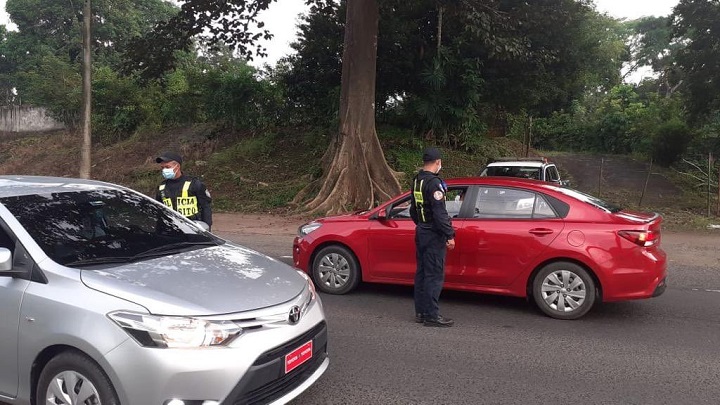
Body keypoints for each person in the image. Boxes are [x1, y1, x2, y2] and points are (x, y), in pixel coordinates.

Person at [409, 147, 456, 327]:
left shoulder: (417, 180)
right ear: (437, 162)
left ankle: (421, 312)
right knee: (434, 275)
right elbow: (440, 213)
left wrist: (421, 224)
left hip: (421, 231)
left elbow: (413, 209)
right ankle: (431, 316)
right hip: (433, 234)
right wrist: (449, 234)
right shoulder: (434, 183)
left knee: (421, 273)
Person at [155, 151, 213, 229]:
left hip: (192, 229)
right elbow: (159, 210)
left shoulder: (194, 183)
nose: (164, 170)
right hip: (171, 230)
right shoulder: (162, 187)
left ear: (177, 166)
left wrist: (206, 228)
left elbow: (206, 207)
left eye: (167, 167)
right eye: (162, 168)